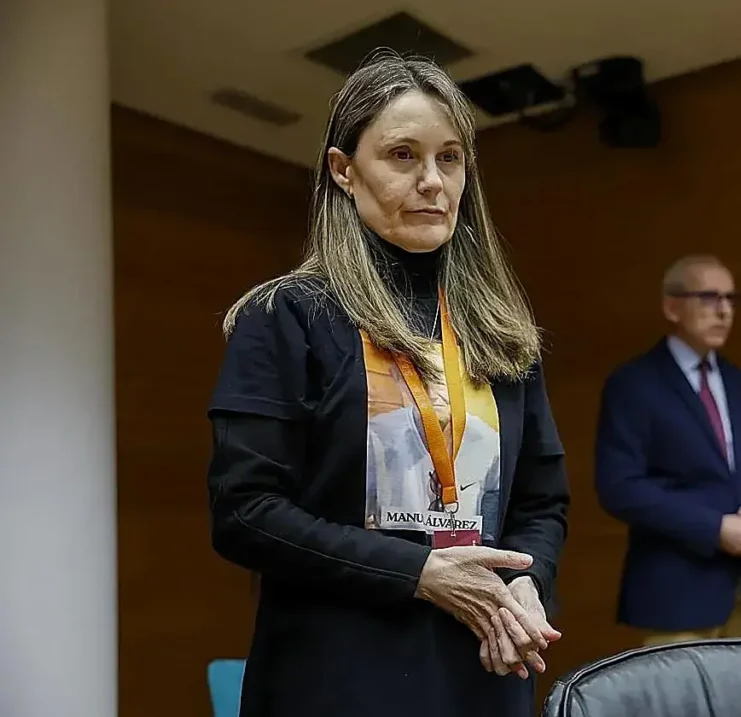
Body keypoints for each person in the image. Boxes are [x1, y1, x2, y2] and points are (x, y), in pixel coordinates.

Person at [205, 50, 570, 717]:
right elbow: (246, 512)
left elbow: (542, 502)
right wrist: (421, 573)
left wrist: (527, 583)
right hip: (338, 678)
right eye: (403, 155)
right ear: (343, 170)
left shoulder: (500, 329)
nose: (433, 180)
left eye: (450, 158)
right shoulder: (287, 316)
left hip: (482, 671)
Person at [595, 255, 741, 644]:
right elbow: (620, 486)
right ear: (672, 307)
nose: (724, 310)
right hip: (675, 596)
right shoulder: (634, 383)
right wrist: (715, 528)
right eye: (709, 297)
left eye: (731, 299)